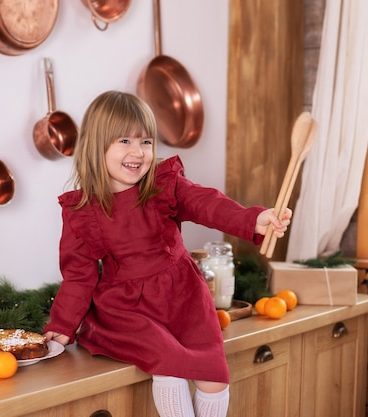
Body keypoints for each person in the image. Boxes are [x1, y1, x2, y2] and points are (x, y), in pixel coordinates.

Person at [43, 90, 292, 417]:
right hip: (129, 309)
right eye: (124, 141)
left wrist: (253, 218)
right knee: (170, 367)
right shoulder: (83, 211)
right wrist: (61, 326)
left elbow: (208, 204)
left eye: (146, 142)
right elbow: (78, 276)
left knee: (214, 378)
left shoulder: (164, 184)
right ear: (95, 145)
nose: (138, 152)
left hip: (184, 296)